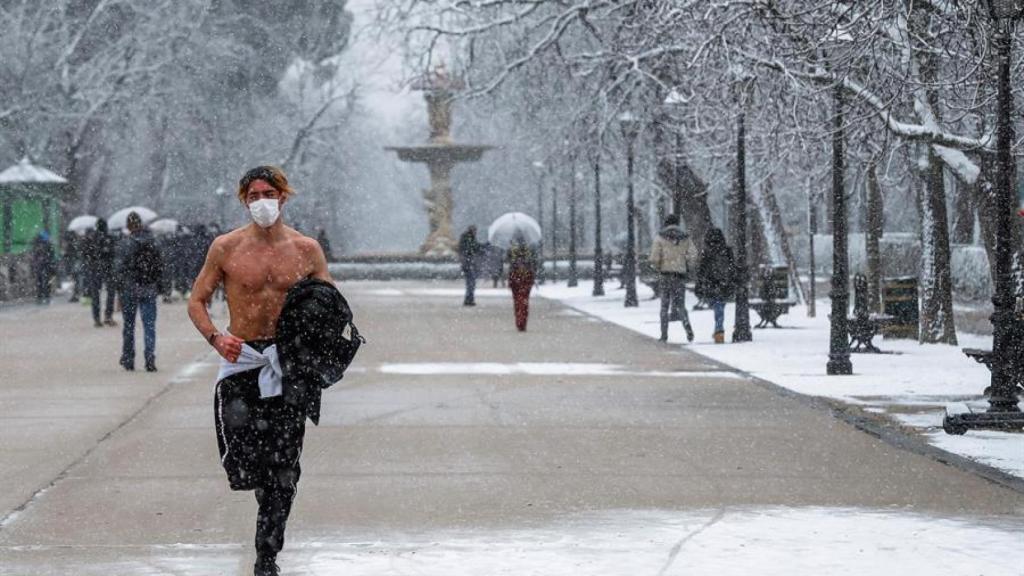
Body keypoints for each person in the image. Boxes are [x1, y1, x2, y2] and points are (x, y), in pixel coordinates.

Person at [187, 165, 330, 576]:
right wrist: (216, 338)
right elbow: (197, 300)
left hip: (288, 366)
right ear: (244, 201)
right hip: (243, 362)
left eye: (269, 194)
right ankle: (267, 500)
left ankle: (266, 555)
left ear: (283, 197)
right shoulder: (226, 248)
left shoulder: (306, 249)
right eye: (253, 196)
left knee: (284, 468)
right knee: (246, 464)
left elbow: (330, 302)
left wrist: (318, 343)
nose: (262, 202)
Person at [118, 212, 163, 372]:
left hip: (130, 288)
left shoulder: (126, 243)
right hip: (149, 287)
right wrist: (161, 286)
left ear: (129, 226)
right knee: (149, 326)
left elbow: (120, 268)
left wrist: (119, 289)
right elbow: (160, 266)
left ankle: (128, 358)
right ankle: (149, 357)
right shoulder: (153, 242)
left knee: (129, 326)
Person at [649, 214, 698, 343]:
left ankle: (664, 334)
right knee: (680, 305)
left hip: (665, 275)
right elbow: (693, 255)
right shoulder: (685, 238)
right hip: (679, 275)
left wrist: (659, 266)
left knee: (664, 306)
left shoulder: (660, 237)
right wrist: (686, 265)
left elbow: (654, 257)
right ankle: (687, 327)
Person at [695, 228, 735, 344]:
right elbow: (732, 267)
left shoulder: (707, 252)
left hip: (711, 282)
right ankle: (718, 329)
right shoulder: (727, 251)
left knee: (717, 305)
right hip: (725, 283)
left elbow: (701, 270)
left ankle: (719, 330)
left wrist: (700, 283)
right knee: (720, 305)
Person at [82, 218, 118, 327]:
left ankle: (97, 318)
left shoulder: (91, 238)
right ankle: (108, 316)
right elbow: (115, 252)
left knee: (95, 294)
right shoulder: (110, 238)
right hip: (108, 268)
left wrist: (91, 261)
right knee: (110, 292)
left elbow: (85, 253)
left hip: (95, 268)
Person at [507, 234, 539, 331]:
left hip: (515, 276)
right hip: (526, 277)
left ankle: (519, 320)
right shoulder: (530, 248)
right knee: (524, 300)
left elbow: (508, 260)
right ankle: (522, 321)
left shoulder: (512, 248)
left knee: (517, 300)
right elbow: (535, 262)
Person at [30, 231, 56, 304]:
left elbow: (34, 256)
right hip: (46, 265)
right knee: (47, 281)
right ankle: (47, 296)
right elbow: (52, 257)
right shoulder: (49, 245)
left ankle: (40, 297)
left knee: (39, 281)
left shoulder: (36, 245)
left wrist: (34, 265)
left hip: (39, 265)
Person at [458, 225, 480, 306]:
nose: (476, 232)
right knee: (471, 282)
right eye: (475, 231)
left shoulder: (468, 238)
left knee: (471, 282)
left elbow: (474, 248)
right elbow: (472, 248)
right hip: (468, 262)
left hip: (467, 262)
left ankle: (469, 299)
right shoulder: (468, 238)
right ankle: (469, 299)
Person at [63, 231, 82, 302]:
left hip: (72, 265)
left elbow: (67, 256)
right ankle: (76, 294)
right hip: (76, 265)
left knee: (74, 281)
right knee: (76, 280)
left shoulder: (70, 246)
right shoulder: (76, 244)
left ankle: (75, 295)